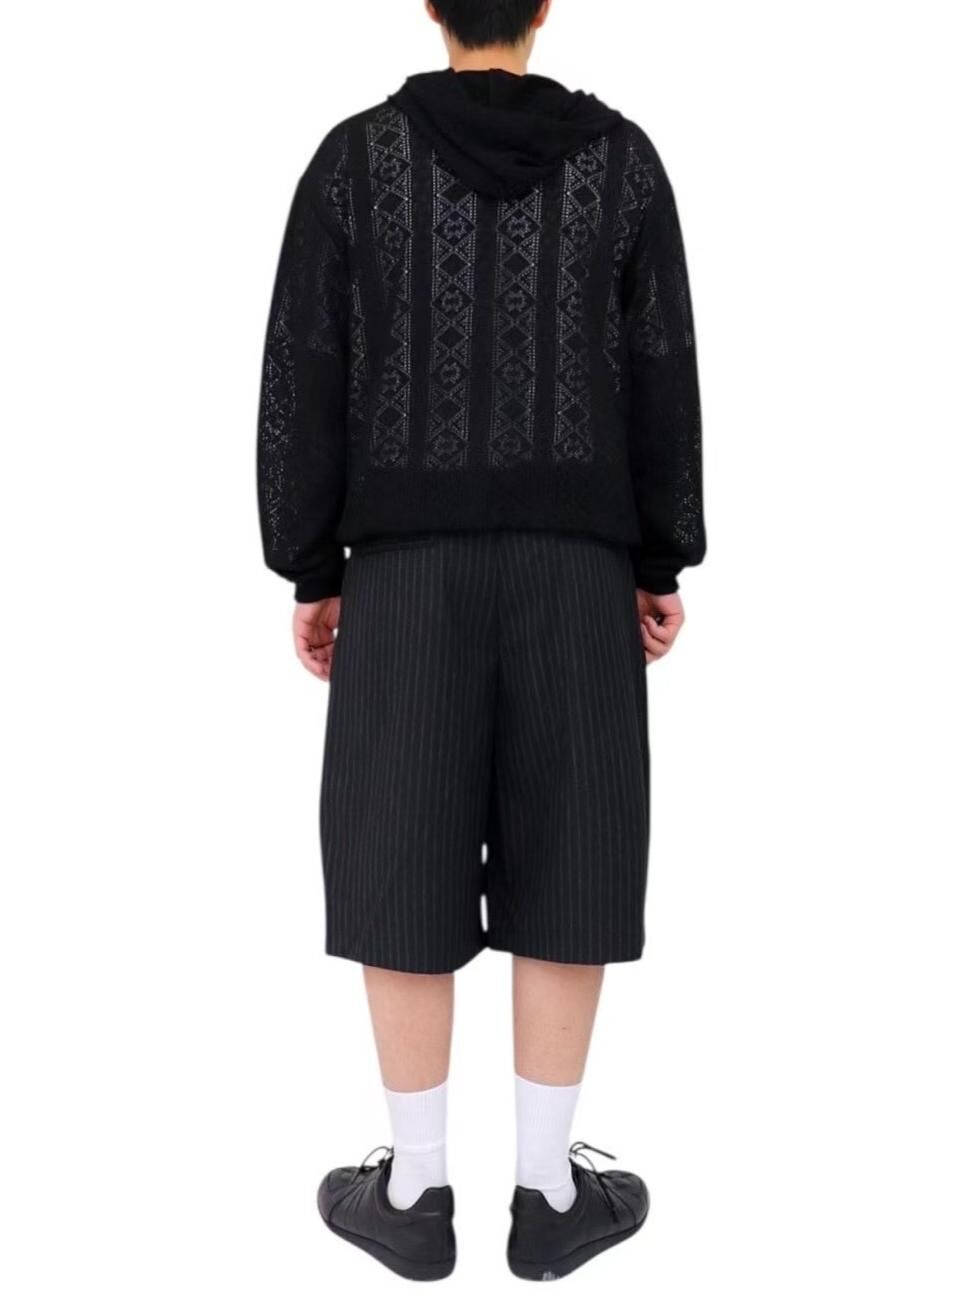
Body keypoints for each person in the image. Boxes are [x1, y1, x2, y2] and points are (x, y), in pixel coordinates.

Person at [256, 0, 705, 1281]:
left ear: (431, 4)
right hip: (577, 570)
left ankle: (413, 1191)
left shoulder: (354, 162)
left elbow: (302, 373)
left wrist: (312, 567)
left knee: (398, 854)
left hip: (404, 574)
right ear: (544, 7)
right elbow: (662, 368)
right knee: (575, 856)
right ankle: (549, 1193)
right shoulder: (623, 163)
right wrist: (658, 559)